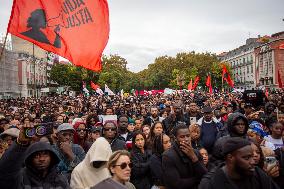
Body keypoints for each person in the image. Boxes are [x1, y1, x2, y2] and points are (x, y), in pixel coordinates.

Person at [0, 123, 69, 189]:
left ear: (52, 157)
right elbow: (5, 173)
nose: (42, 159)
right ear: (30, 158)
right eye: (36, 155)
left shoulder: (61, 179)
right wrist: (20, 143)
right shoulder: (20, 178)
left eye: (45, 154)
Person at [199, 137, 279, 189]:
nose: (252, 161)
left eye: (252, 156)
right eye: (246, 158)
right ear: (230, 157)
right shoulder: (210, 183)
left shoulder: (257, 173)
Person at [162, 123, 207, 189]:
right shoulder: (168, 156)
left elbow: (205, 175)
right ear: (175, 138)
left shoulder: (196, 152)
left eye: (188, 136)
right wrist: (197, 179)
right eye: (182, 137)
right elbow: (177, 184)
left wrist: (193, 157)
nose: (186, 139)